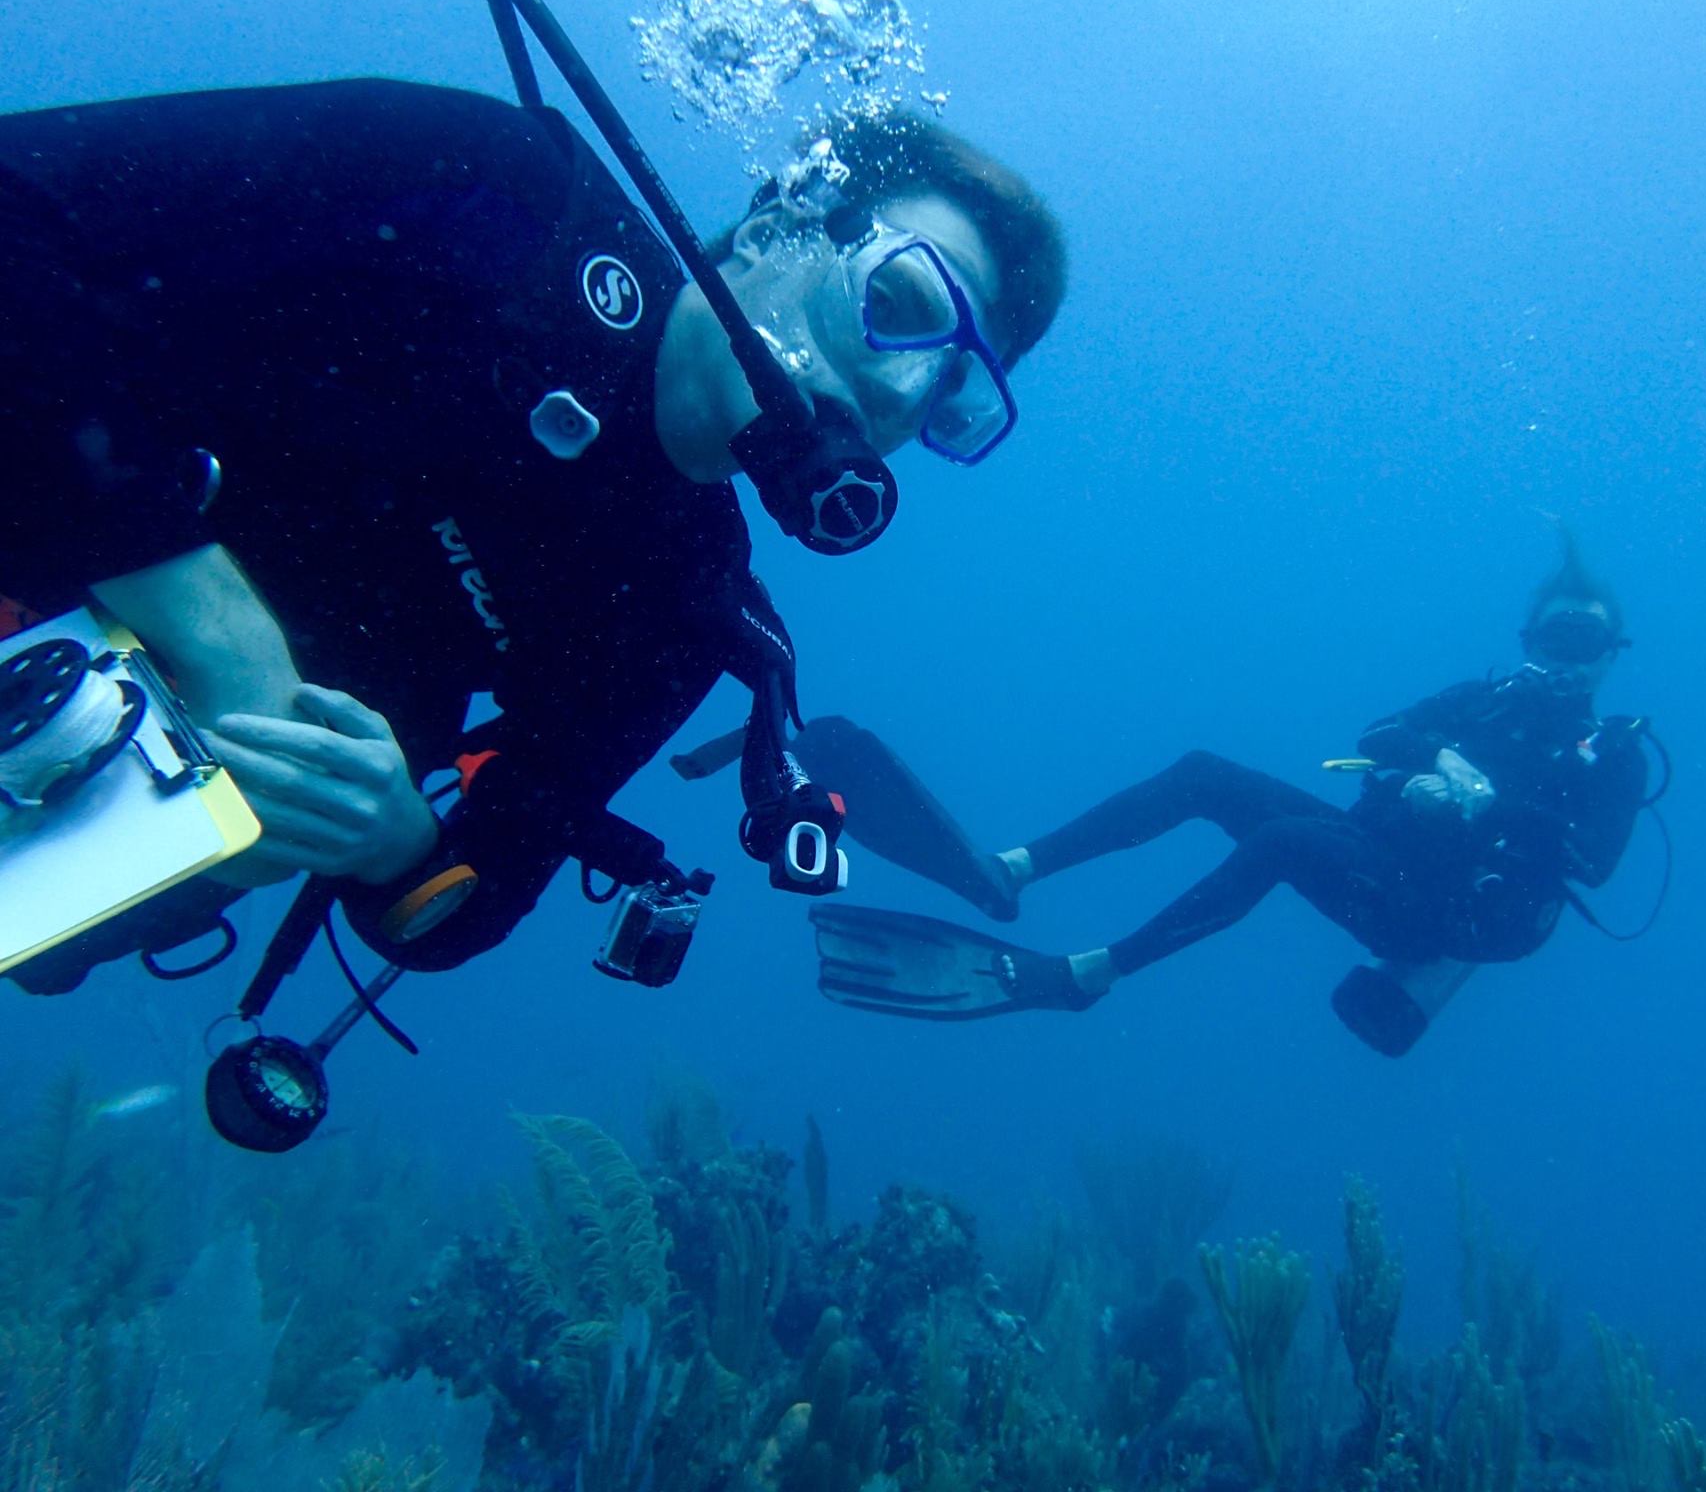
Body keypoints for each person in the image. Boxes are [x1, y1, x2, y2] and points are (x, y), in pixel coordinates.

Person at [0, 70, 1066, 995]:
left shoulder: (682, 612)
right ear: (783, 225)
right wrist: (215, 626)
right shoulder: (490, 195)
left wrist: (388, 841)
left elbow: (459, 909)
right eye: (908, 301)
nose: (903, 388)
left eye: (955, 392)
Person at [779, 537, 1657, 1052]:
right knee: (1203, 772)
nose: (1564, 657)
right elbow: (1378, 736)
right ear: (1528, 638)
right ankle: (1010, 869)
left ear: (1613, 656)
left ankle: (1090, 973)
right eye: (1552, 636)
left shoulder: (1613, 755)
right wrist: (1440, 759)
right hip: (1378, 855)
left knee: (1277, 839)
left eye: (1585, 643)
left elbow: (1594, 861)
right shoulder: (1483, 696)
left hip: (1444, 917)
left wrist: (1482, 803)